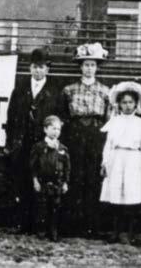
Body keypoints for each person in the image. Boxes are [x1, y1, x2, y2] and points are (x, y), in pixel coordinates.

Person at [58, 42, 110, 236]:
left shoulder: (105, 91)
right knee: (75, 175)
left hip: (96, 134)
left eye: (92, 65)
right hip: (75, 134)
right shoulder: (69, 90)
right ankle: (73, 224)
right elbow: (63, 116)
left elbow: (108, 119)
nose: (89, 68)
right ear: (80, 67)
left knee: (93, 177)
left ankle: (91, 225)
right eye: (86, 65)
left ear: (97, 67)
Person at [5, 48, 60, 234]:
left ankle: (39, 225)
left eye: (42, 67)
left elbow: (58, 119)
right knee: (22, 182)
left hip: (42, 145)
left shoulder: (54, 91)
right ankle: (22, 224)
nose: (38, 71)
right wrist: (10, 143)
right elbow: (11, 116)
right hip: (22, 144)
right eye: (35, 67)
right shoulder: (20, 89)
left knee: (42, 183)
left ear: (47, 70)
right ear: (30, 68)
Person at [99, 81, 141, 244]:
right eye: (124, 102)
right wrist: (105, 163)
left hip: (133, 161)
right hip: (116, 160)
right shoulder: (114, 122)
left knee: (131, 196)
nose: (127, 106)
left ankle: (128, 233)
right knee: (116, 196)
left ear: (136, 104)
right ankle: (115, 231)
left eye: (130, 102)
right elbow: (108, 145)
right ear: (119, 104)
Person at [30, 115, 70, 242]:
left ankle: (53, 231)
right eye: (53, 128)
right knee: (42, 207)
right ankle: (41, 231)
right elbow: (33, 166)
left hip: (57, 183)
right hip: (43, 182)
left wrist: (65, 182)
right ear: (45, 129)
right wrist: (35, 180)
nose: (56, 132)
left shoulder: (63, 148)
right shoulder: (38, 147)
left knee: (55, 207)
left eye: (58, 129)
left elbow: (67, 168)